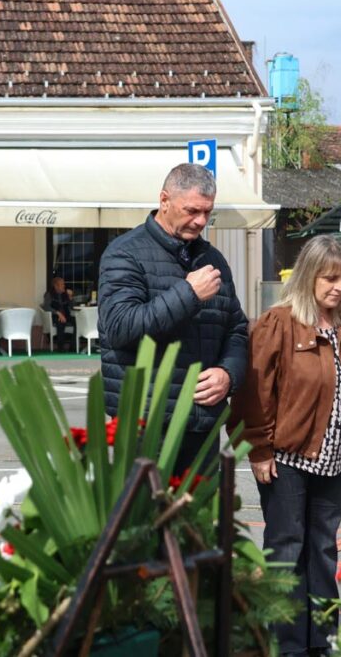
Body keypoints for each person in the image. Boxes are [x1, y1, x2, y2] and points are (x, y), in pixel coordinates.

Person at [229, 235, 341, 656]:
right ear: (309, 276)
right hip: (286, 459)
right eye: (330, 278)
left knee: (323, 550)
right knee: (286, 549)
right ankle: (287, 645)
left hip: (334, 459)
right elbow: (254, 392)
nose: (339, 287)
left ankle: (322, 642)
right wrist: (259, 449)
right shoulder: (278, 322)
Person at [98, 163, 248, 476]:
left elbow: (236, 330)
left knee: (201, 510)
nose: (201, 221)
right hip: (146, 423)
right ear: (164, 200)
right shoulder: (124, 254)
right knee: (143, 509)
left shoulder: (213, 260)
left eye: (207, 212)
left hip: (202, 423)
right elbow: (121, 328)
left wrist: (228, 374)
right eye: (192, 210)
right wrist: (189, 293)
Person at [41, 276, 75, 351]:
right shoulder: (49, 294)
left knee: (77, 322)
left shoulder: (65, 294)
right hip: (54, 316)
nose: (64, 286)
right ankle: (61, 348)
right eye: (62, 284)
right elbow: (46, 307)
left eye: (63, 284)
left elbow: (72, 307)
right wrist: (58, 313)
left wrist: (70, 298)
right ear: (56, 286)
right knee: (60, 322)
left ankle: (73, 347)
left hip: (66, 315)